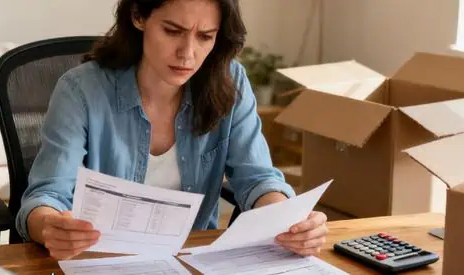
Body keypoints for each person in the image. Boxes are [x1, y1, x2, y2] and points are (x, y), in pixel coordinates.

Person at [18, 0, 329, 260]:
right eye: (172, 31)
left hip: (190, 259)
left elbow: (258, 178)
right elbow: (48, 194)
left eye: (206, 36)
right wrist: (50, 226)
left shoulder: (231, 82)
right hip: (100, 260)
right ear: (138, 16)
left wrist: (289, 222)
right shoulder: (80, 90)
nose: (188, 53)